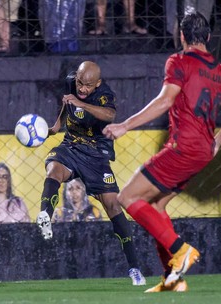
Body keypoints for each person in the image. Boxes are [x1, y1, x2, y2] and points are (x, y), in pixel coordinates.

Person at [103, 12, 221, 292]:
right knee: (156, 205)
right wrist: (215, 143)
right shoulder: (218, 69)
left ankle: (181, 250)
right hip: (201, 151)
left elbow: (165, 100)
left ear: (181, 36)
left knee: (127, 197)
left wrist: (125, 126)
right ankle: (173, 279)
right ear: (208, 37)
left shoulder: (179, 61)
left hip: (182, 148)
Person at [35, 60, 146, 286]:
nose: (82, 88)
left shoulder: (105, 95)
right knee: (53, 169)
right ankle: (45, 214)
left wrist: (81, 103)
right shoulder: (71, 85)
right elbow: (67, 104)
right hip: (72, 146)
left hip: (96, 155)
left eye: (87, 85)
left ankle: (134, 268)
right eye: (79, 83)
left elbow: (109, 115)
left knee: (113, 205)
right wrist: (56, 128)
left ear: (97, 84)